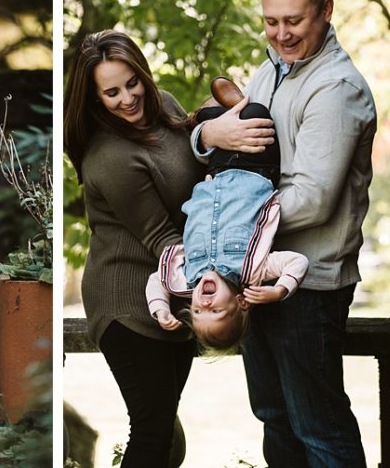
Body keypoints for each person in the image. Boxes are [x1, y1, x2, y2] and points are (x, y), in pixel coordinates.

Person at [193, 0, 376, 467]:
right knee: (274, 415)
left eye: (293, 20)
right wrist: (207, 135)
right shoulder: (271, 68)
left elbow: (313, 199)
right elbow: (233, 143)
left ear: (326, 10)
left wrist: (225, 229)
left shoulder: (336, 89)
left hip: (310, 284)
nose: (280, 34)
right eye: (271, 21)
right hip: (257, 276)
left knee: (318, 425)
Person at [64, 31, 273, 468]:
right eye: (111, 92)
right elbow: (163, 239)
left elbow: (198, 161)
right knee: (153, 433)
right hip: (131, 303)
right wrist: (226, 274)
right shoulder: (111, 158)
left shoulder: (164, 103)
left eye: (132, 83)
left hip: (177, 291)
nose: (128, 98)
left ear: (143, 73)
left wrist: (211, 131)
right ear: (94, 98)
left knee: (167, 439)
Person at [145, 83, 308, 353]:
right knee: (255, 115)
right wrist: (280, 290)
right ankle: (238, 103)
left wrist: (159, 309)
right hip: (255, 169)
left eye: (197, 311)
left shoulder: (184, 277)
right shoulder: (254, 271)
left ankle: (224, 108)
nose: (205, 305)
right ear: (241, 302)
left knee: (208, 123)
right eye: (217, 311)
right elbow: (297, 262)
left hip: (216, 173)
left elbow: (156, 281)